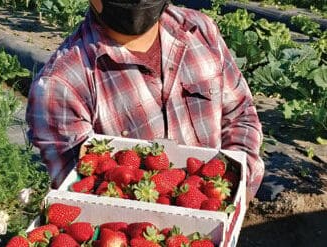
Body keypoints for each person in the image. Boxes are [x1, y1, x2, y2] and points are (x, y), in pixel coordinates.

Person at [26, 0, 265, 203]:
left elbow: (239, 113)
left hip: (212, 215)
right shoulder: (61, 85)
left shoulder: (200, 31)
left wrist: (235, 185)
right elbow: (82, 193)